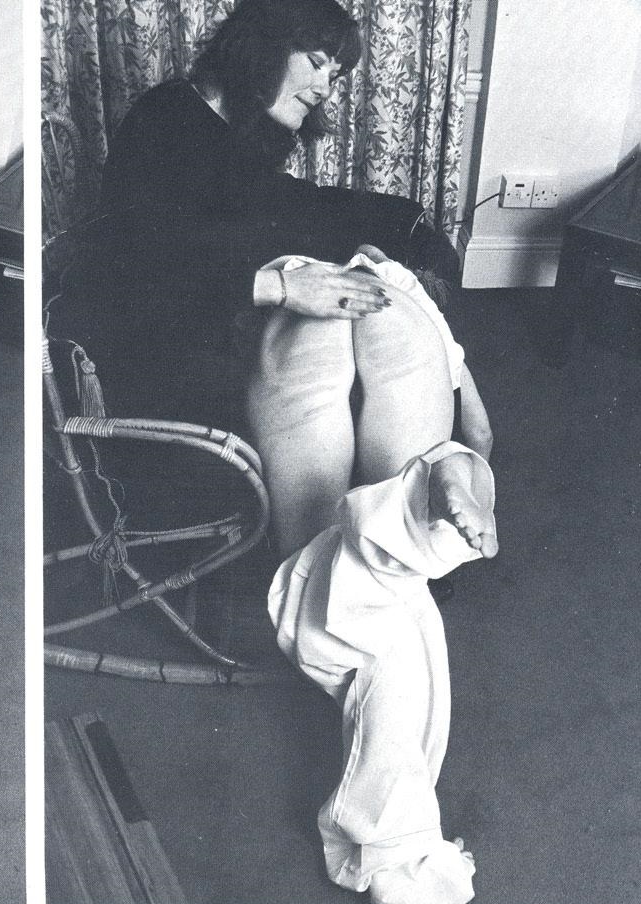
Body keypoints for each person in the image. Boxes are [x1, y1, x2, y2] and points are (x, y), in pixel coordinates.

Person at [84, 0, 492, 557]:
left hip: (222, 325)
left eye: (335, 75)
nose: (325, 88)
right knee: (337, 312)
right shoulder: (166, 118)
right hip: (163, 352)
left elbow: (288, 208)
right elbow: (133, 268)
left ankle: (407, 507)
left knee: (364, 286)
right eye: (317, 62)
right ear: (263, 46)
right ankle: (415, 506)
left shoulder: (239, 129)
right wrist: (283, 288)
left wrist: (406, 223)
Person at [268, 440, 497, 904]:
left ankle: (430, 490)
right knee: (398, 658)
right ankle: (433, 487)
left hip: (353, 602)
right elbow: (482, 433)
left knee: (401, 664)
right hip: (351, 595)